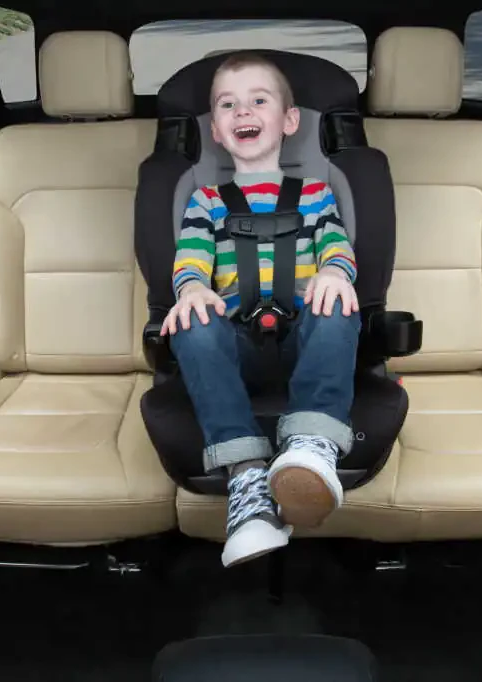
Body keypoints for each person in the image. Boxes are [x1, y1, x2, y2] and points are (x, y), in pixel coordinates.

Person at [160, 52, 360, 567]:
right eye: (228, 105)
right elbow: (190, 261)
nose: (242, 111)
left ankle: (311, 448)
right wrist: (192, 290)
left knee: (337, 300)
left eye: (258, 101)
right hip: (236, 349)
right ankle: (247, 478)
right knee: (192, 320)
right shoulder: (206, 201)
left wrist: (334, 273)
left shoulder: (316, 195)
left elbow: (337, 248)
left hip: (305, 345)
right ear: (217, 131)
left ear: (289, 121)